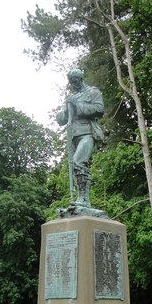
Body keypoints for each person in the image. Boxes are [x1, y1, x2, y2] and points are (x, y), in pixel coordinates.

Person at [56, 68, 104, 208]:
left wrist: (78, 106)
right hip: (74, 136)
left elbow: (99, 109)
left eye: (75, 81)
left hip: (88, 133)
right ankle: (81, 197)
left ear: (81, 79)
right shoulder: (72, 97)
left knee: (79, 161)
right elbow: (62, 120)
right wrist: (65, 110)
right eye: (71, 82)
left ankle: (84, 198)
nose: (73, 85)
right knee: (76, 166)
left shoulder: (92, 92)